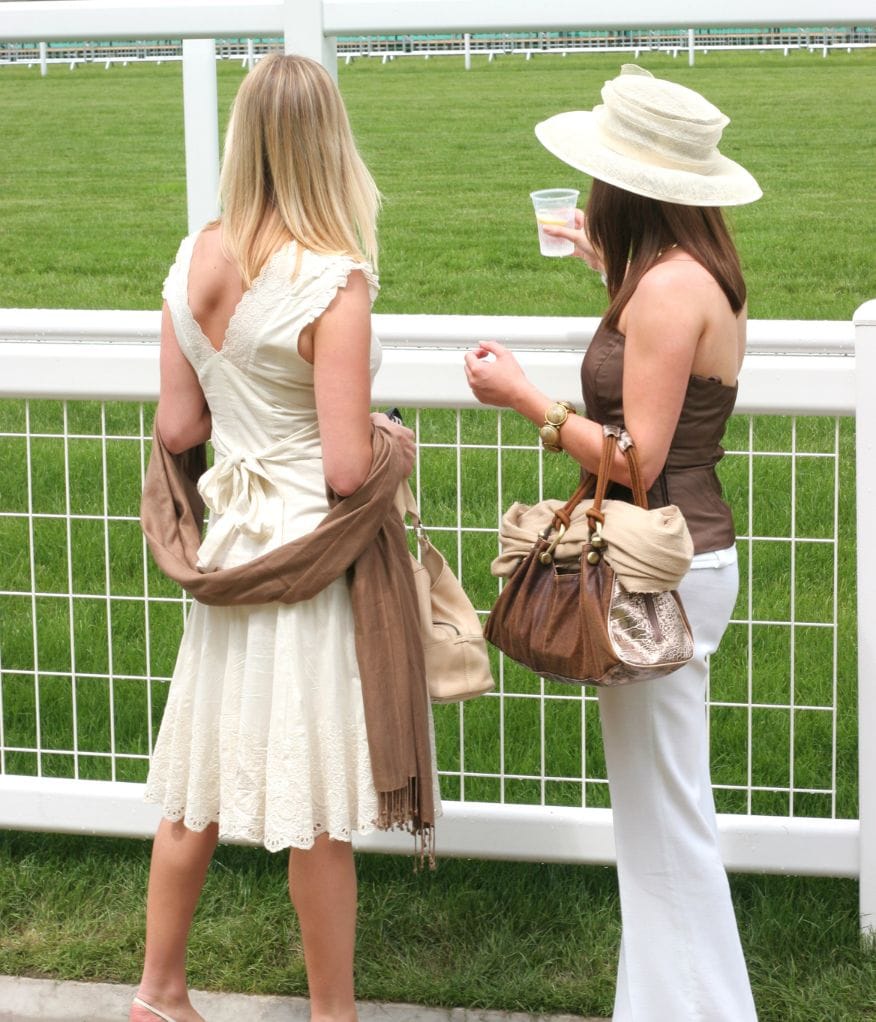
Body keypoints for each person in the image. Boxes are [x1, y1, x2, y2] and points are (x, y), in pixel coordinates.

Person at [132, 54, 434, 1022]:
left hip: (230, 548)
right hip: (309, 561)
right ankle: (332, 1015)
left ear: (244, 138)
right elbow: (347, 467)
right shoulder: (334, 280)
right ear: (327, 143)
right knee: (314, 813)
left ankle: (159, 991)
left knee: (195, 788)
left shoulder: (193, 261)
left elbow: (180, 428)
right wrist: (392, 438)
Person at [464, 65, 762, 1021]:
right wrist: (611, 272)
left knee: (666, 825)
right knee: (658, 820)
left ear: (625, 185)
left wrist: (528, 402)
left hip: (657, 571)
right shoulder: (685, 274)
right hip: (681, 558)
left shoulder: (669, 293)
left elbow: (637, 459)